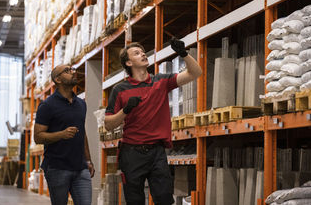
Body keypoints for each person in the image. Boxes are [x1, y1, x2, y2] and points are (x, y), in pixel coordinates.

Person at [105, 38, 202, 205]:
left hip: (157, 152)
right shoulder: (120, 90)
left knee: (164, 199)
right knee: (135, 200)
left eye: (143, 51)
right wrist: (125, 110)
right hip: (131, 153)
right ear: (128, 62)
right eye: (136, 53)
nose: (143, 53)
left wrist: (184, 54)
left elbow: (195, 73)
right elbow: (108, 124)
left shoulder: (161, 81)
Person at [34, 64, 95, 205]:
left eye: (72, 69)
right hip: (57, 168)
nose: (73, 72)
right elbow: (38, 137)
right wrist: (61, 134)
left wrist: (88, 160)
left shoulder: (81, 104)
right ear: (58, 79)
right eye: (67, 71)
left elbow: (82, 133)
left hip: (81, 168)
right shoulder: (47, 105)